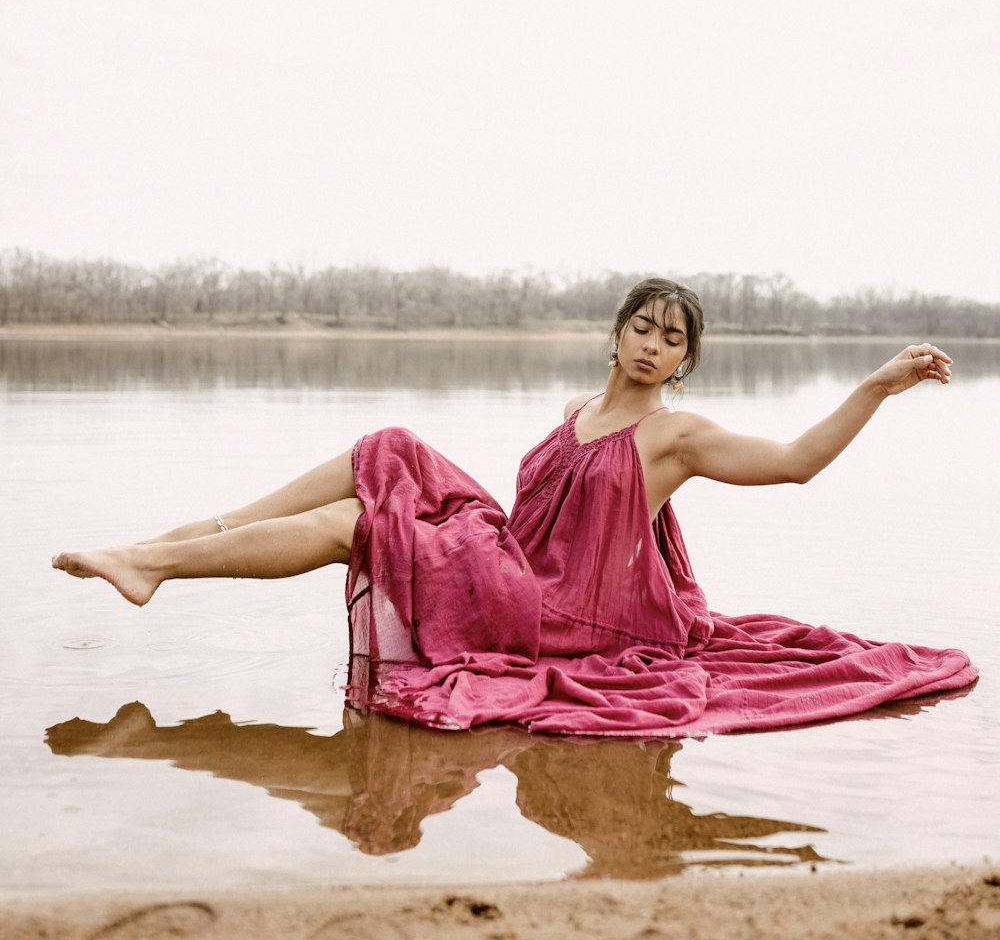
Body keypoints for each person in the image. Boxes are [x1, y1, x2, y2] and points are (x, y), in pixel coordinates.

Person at [52, 278, 977, 736]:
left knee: (362, 529)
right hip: (509, 562)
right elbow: (543, 514)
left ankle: (155, 567)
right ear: (616, 332)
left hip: (552, 612)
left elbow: (797, 464)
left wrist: (879, 385)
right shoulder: (578, 409)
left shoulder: (674, 435)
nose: (654, 347)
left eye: (674, 340)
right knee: (392, 447)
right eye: (644, 328)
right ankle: (202, 530)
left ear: (687, 362)